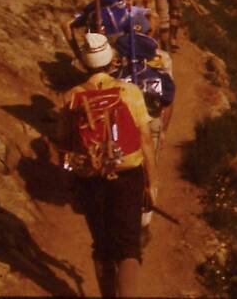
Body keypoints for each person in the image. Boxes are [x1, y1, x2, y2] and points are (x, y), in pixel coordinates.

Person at [56, 33, 157, 297]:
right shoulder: (129, 92)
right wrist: (151, 181)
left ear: (84, 63)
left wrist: (70, 180)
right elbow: (146, 141)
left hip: (89, 177)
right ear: (111, 60)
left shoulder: (72, 97)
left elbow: (65, 145)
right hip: (127, 175)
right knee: (128, 248)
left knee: (101, 246)